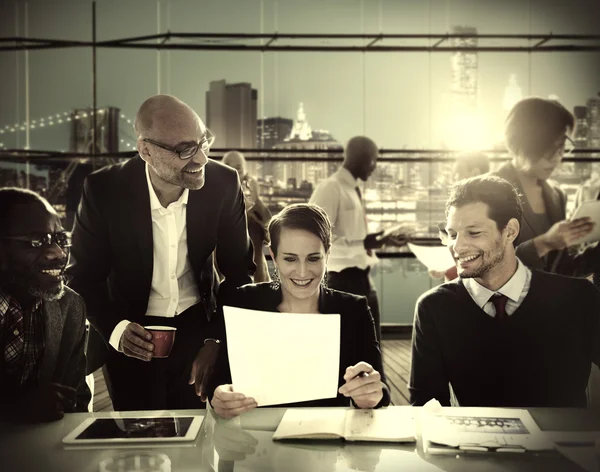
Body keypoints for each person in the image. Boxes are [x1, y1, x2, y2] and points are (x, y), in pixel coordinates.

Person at [68, 94, 255, 411]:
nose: (201, 160)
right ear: (145, 151)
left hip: (198, 330)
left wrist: (215, 339)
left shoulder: (224, 184)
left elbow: (239, 273)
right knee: (139, 443)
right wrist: (116, 330)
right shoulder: (104, 190)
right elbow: (82, 277)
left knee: (198, 440)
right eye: (184, 150)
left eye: (202, 143)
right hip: (130, 334)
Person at [409, 175, 600, 408]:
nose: (457, 247)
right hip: (474, 443)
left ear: (510, 231)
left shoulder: (578, 298)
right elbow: (426, 405)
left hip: (565, 442)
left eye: (474, 233)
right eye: (452, 234)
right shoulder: (434, 308)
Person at [210, 203, 390, 419]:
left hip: (327, 438)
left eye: (313, 258)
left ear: (328, 255)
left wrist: (372, 395)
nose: (302, 271)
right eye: (290, 259)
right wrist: (218, 397)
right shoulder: (243, 302)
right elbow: (218, 380)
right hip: (255, 440)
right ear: (274, 257)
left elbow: (380, 387)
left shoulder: (353, 310)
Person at [0, 188, 90, 422]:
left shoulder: (70, 307)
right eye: (37, 241)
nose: (58, 253)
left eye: (60, 239)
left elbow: (76, 403)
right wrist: (14, 410)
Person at [309, 136, 410, 343]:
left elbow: (351, 236)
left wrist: (380, 241)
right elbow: (315, 239)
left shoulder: (352, 190)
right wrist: (363, 244)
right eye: (373, 160)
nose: (374, 167)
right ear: (360, 158)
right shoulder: (331, 188)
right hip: (341, 281)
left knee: (370, 348)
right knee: (349, 351)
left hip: (361, 280)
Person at [494, 97, 600, 276]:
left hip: (548, 303)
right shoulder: (486, 191)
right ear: (524, 143)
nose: (557, 157)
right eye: (549, 148)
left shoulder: (556, 195)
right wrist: (543, 243)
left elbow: (563, 270)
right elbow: (485, 266)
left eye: (561, 147)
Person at [429, 151, 490, 281]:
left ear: (474, 173)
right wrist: (442, 266)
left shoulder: (491, 213)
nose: (453, 180)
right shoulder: (458, 209)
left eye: (457, 174)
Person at [222, 150, 272, 283]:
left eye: (238, 168)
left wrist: (254, 200)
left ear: (245, 172)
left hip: (256, 272)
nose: (232, 171)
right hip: (223, 271)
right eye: (227, 166)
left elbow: (269, 231)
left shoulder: (254, 201)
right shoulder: (214, 195)